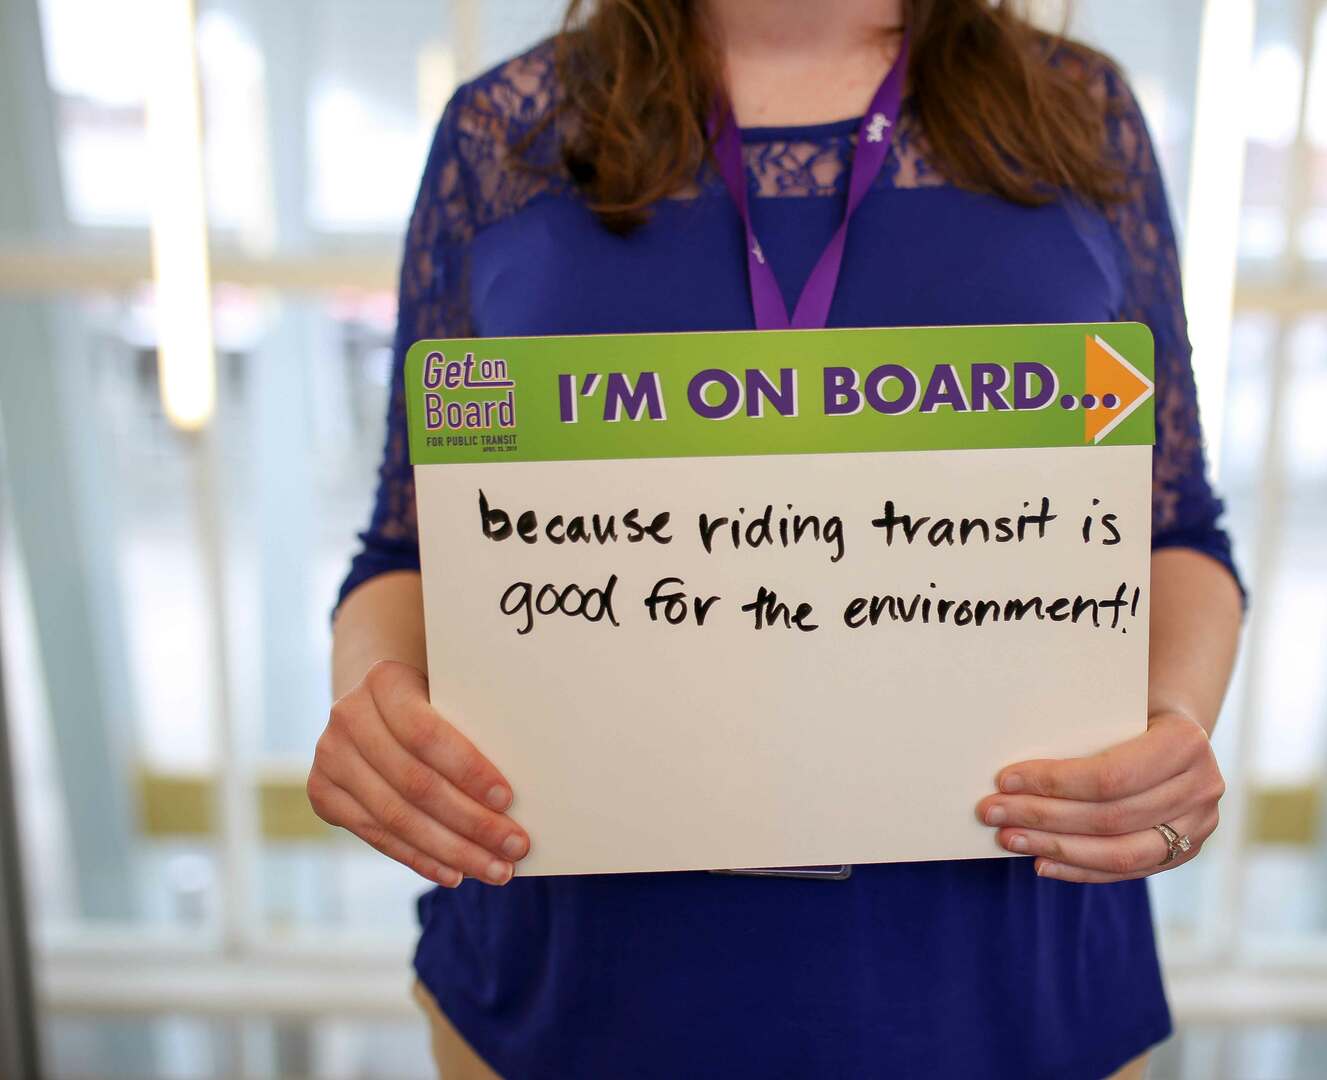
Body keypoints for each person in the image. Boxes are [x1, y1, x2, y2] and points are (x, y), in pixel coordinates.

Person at [309, 0, 1245, 1075]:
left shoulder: (1078, 112)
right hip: (578, 995)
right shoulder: (508, 134)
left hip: (1004, 991)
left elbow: (1173, 524)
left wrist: (1173, 729)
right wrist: (372, 701)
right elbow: (409, 545)